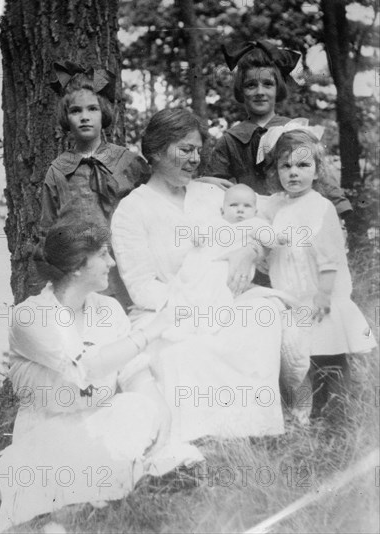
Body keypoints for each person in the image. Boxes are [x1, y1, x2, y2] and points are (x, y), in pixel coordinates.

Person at [111, 108, 307, 443]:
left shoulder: (212, 195)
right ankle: (204, 441)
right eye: (184, 149)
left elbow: (260, 226)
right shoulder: (133, 210)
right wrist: (194, 309)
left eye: (198, 151)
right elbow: (142, 286)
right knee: (184, 353)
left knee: (262, 317)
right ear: (156, 151)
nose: (194, 159)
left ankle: (257, 432)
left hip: (225, 301)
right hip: (168, 313)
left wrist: (249, 251)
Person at [0, 221, 202, 532]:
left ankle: (122, 494)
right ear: (78, 266)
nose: (112, 263)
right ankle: (84, 505)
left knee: (144, 413)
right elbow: (83, 368)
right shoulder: (30, 316)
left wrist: (163, 425)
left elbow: (136, 377)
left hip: (101, 427)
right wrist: (152, 330)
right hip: (47, 436)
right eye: (103, 255)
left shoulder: (109, 310)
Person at [261, 129, 376, 417]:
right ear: (276, 171)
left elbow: (329, 259)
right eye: (285, 166)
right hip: (293, 298)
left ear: (317, 170)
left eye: (302, 166)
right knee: (300, 359)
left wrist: (323, 293)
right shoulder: (278, 204)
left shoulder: (319, 207)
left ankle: (333, 412)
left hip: (318, 297)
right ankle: (303, 413)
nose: (293, 173)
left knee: (327, 354)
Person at [201, 40, 352, 221]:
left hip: (296, 219)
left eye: (267, 84)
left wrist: (343, 214)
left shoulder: (295, 131)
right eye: (251, 85)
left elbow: (323, 177)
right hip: (252, 223)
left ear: (277, 88)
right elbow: (211, 188)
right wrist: (205, 183)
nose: (260, 91)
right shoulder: (231, 140)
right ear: (241, 91)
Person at [39, 60, 149, 306]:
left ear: (104, 113)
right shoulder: (58, 169)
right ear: (66, 118)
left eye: (92, 109)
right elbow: (48, 228)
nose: (84, 117)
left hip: (124, 264)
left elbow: (157, 200)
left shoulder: (129, 162)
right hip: (80, 270)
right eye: (76, 111)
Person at [163, 183, 283, 339]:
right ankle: (182, 323)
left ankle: (205, 327)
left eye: (247, 206)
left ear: (255, 211)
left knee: (216, 295)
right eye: (234, 205)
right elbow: (200, 234)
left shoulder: (254, 225)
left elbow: (271, 238)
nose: (240, 210)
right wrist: (198, 237)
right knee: (188, 290)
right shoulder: (217, 223)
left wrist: (281, 237)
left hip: (227, 271)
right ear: (222, 210)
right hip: (205, 265)